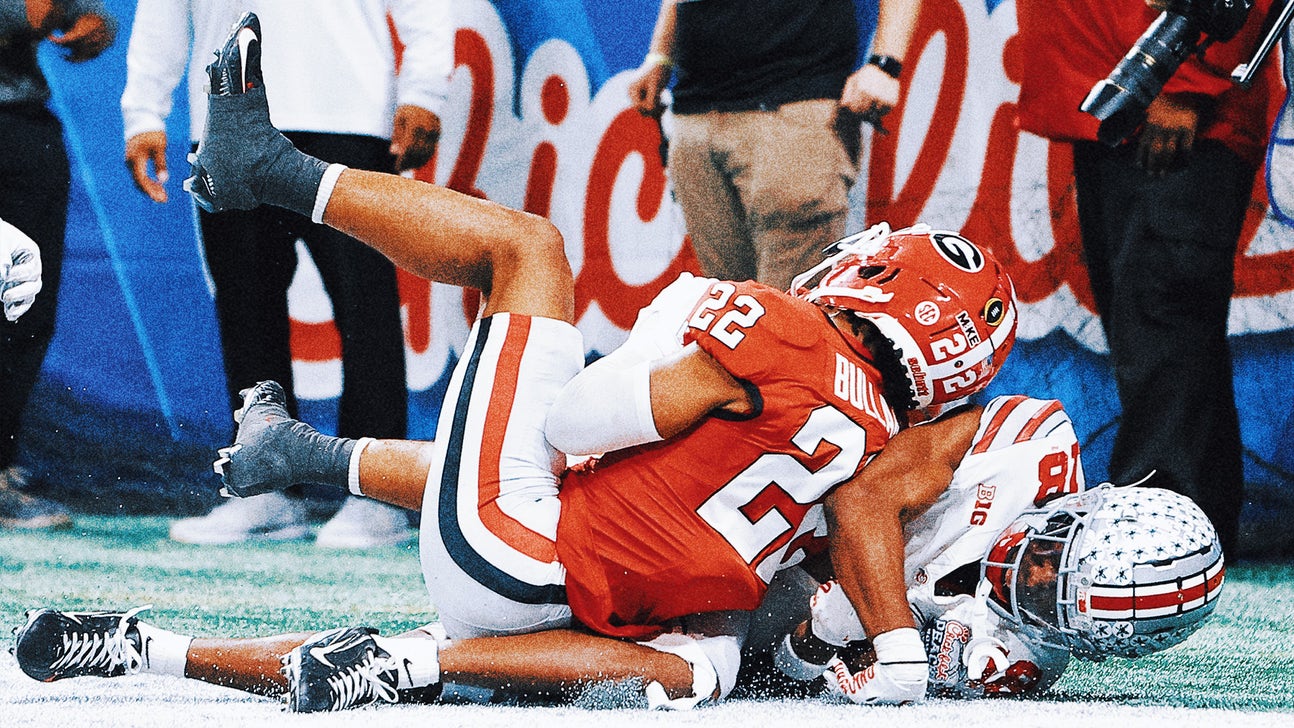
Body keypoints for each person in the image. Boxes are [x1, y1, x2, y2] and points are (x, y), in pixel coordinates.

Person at [120, 1, 454, 547]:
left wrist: (424, 92)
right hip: (226, 119)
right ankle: (267, 490)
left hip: (347, 113)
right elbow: (164, 11)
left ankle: (378, 495)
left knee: (365, 304)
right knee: (246, 307)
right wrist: (143, 113)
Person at [1014, 0, 1281, 558]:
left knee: (1163, 325)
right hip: (1120, 96)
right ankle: (1195, 532)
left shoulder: (1179, 84)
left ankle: (1154, 539)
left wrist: (1188, 81)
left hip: (1173, 97)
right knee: (1148, 329)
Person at [626, 0, 922, 291]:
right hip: (696, 113)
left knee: (793, 311)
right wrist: (660, 57)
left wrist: (886, 64)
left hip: (792, 105)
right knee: (729, 310)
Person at [0, 0, 115, 531]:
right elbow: (31, 11)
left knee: (22, 305)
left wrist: (78, 12)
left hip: (20, 120)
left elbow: (50, 10)